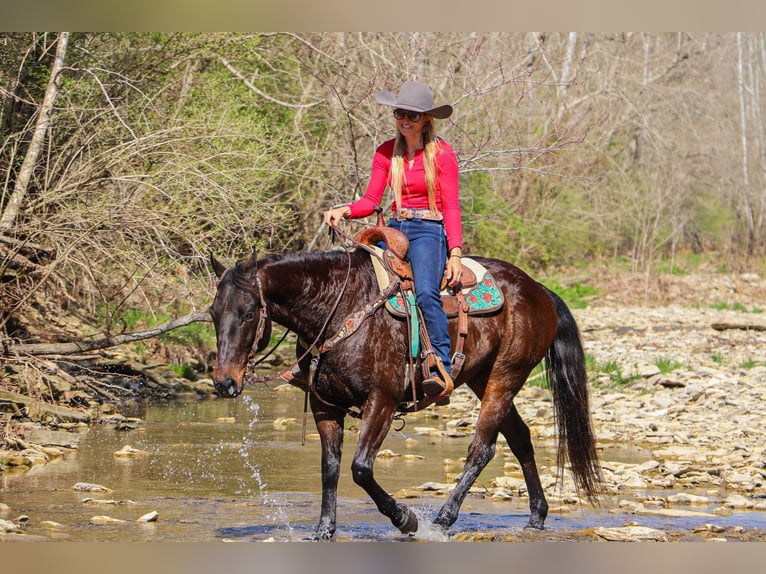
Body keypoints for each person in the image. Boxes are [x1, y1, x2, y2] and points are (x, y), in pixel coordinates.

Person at [324, 80, 462, 402]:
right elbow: (372, 199)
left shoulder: (442, 155)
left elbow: (452, 206)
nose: (405, 120)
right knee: (358, 282)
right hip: (395, 230)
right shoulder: (387, 152)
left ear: (426, 119)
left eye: (412, 115)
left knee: (427, 292)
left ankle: (439, 365)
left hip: (429, 231)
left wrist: (454, 252)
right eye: (400, 113)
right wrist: (345, 210)